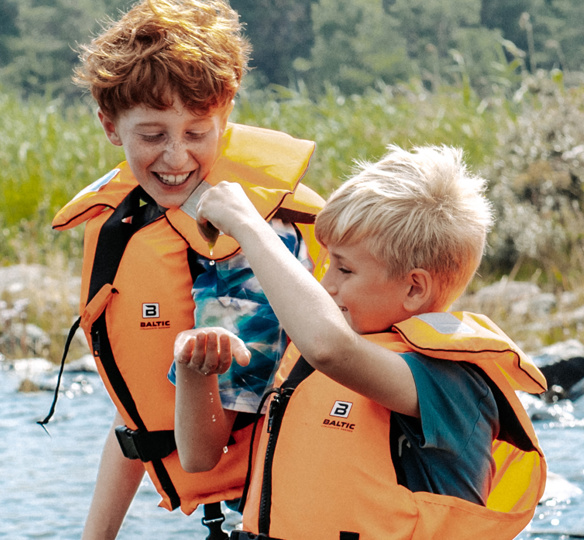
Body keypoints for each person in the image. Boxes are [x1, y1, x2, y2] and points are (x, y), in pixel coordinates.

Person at [46, 1, 326, 538]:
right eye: (152, 136)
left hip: (297, 510)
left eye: (197, 133)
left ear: (225, 118)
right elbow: (138, 407)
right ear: (110, 126)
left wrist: (197, 371)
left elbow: (204, 451)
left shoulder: (244, 243)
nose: (176, 158)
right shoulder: (134, 221)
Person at [174, 144, 549, 539]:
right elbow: (198, 458)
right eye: (328, 263)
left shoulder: (450, 382)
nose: (326, 284)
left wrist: (247, 225)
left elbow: (330, 349)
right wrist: (195, 371)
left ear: (414, 288)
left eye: (345, 269)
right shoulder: (308, 354)